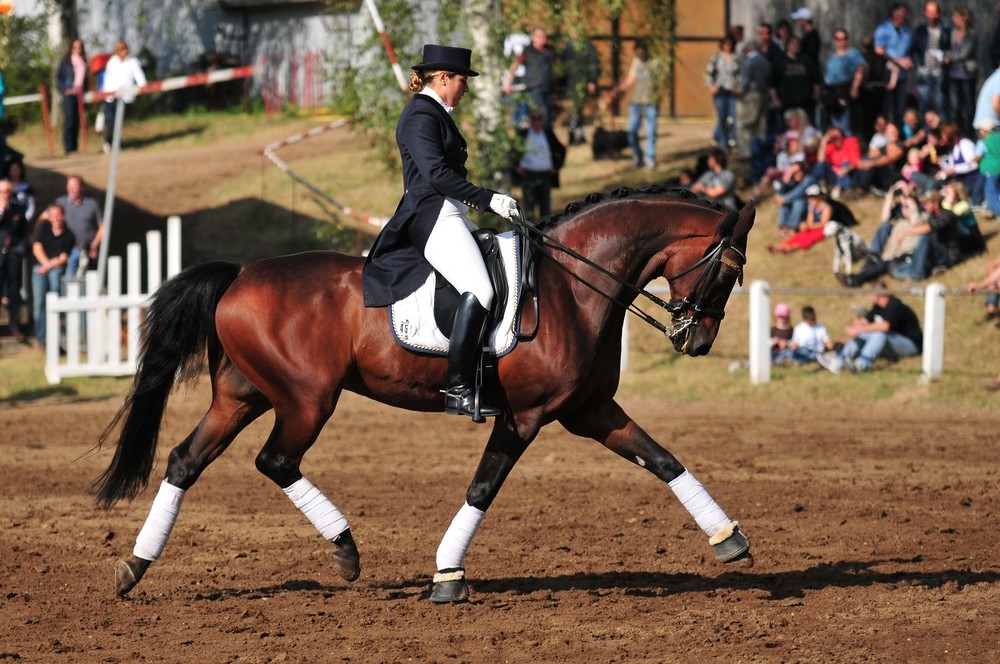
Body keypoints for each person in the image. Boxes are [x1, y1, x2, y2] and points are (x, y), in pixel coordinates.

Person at [362, 44, 521, 420]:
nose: (466, 88)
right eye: (464, 80)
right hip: (430, 216)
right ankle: (459, 388)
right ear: (445, 77)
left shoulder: (435, 114)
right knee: (480, 289)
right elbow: (435, 174)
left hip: (449, 214)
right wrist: (487, 199)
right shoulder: (420, 115)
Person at [818, 281, 922, 373]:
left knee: (879, 334)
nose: (869, 296)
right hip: (893, 343)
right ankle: (839, 360)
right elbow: (865, 322)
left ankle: (863, 363)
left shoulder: (895, 305)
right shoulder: (878, 307)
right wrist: (852, 327)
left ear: (878, 294)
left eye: (871, 293)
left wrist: (859, 329)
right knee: (865, 333)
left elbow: (885, 326)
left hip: (911, 345)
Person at [31, 203, 75, 348]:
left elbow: (63, 258)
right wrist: (46, 264)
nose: (56, 217)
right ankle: (41, 339)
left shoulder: (69, 234)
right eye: (53, 214)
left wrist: (48, 267)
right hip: (41, 267)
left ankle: (57, 339)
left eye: (59, 214)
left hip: (55, 270)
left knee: (55, 300)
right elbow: (37, 248)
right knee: (39, 304)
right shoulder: (43, 228)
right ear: (48, 216)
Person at [613, 41, 663, 169]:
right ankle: (637, 156)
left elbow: (661, 81)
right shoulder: (636, 62)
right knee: (632, 130)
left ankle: (649, 158)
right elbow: (631, 79)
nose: (637, 55)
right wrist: (619, 90)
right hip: (636, 102)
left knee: (650, 131)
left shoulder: (656, 62)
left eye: (638, 52)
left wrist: (659, 97)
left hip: (651, 102)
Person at [513, 110, 565, 219]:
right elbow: (513, 151)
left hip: (545, 175)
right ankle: (530, 234)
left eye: (539, 118)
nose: (537, 121)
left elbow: (561, 149)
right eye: (534, 119)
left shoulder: (547, 133)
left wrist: (556, 167)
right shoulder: (524, 134)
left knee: (545, 209)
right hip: (528, 175)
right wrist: (516, 167)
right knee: (529, 208)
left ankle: (545, 234)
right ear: (530, 120)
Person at [100, 40, 147, 153]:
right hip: (110, 96)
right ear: (117, 51)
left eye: (126, 48)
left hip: (124, 97)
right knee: (110, 120)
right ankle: (108, 141)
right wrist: (106, 95)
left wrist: (144, 86)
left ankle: (116, 143)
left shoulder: (132, 62)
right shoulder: (112, 62)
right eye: (122, 48)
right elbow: (107, 79)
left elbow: (139, 75)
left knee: (118, 121)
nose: (124, 51)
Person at [503, 27, 554, 125]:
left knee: (548, 118)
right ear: (533, 38)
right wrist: (508, 83)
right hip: (534, 88)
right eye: (539, 36)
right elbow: (515, 66)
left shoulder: (548, 51)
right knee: (542, 114)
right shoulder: (528, 51)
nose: (542, 38)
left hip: (547, 89)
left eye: (544, 36)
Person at [874, 3, 915, 125]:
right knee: (887, 105)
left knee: (900, 106)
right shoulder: (883, 29)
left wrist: (910, 60)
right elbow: (879, 50)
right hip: (887, 71)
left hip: (902, 73)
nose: (905, 16)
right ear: (895, 14)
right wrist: (897, 61)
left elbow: (911, 49)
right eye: (902, 12)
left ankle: (898, 132)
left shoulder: (907, 31)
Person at [56, 175, 103, 278]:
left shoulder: (92, 204)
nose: (72, 189)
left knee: (91, 278)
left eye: (75, 186)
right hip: (67, 250)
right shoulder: (61, 203)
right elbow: (48, 218)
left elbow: (102, 226)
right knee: (70, 279)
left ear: (82, 187)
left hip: (88, 249)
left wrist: (95, 244)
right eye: (70, 186)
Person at [822, 28, 866, 136]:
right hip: (831, 92)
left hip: (844, 90)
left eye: (844, 38)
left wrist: (855, 87)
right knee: (831, 124)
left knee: (846, 123)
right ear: (834, 40)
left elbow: (860, 69)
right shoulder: (832, 57)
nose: (841, 41)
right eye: (838, 39)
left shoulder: (853, 53)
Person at [911, 1, 951, 120]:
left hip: (939, 71)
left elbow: (949, 48)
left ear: (938, 13)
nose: (932, 16)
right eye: (929, 12)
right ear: (925, 13)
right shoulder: (921, 30)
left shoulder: (945, 29)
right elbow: (914, 49)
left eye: (934, 12)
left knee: (940, 104)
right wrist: (919, 65)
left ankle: (943, 134)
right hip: (924, 72)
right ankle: (926, 134)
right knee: (924, 105)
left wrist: (945, 57)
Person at [0, 179, 28, 342]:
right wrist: (2, 210)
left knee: (14, 290)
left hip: (14, 254)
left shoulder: (18, 208)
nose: (4, 195)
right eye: (1, 192)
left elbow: (23, 231)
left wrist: (21, 249)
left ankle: (15, 327)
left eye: (7, 192)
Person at [736, 40, 772, 163]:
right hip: (764, 93)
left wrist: (740, 93)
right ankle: (760, 149)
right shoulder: (765, 61)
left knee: (746, 124)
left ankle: (746, 152)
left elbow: (745, 80)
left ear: (748, 49)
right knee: (761, 124)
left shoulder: (749, 61)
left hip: (751, 94)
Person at [704, 35, 742, 152]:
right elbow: (708, 73)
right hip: (720, 92)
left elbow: (741, 74)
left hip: (732, 92)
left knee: (733, 117)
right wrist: (711, 85)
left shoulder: (737, 58)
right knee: (722, 118)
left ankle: (735, 142)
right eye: (725, 44)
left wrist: (739, 87)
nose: (727, 46)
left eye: (729, 44)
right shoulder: (716, 58)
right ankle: (724, 144)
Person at [561, 31, 600, 146]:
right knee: (574, 109)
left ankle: (575, 134)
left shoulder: (587, 46)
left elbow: (593, 64)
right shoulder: (568, 47)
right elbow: (564, 65)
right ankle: (577, 133)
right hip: (571, 82)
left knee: (577, 109)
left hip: (582, 82)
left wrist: (592, 80)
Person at [944, 7, 978, 135]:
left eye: (955, 17)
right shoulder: (953, 32)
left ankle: (971, 134)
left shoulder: (971, 34)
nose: (953, 19)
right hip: (954, 75)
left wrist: (949, 57)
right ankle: (957, 134)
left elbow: (964, 54)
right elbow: (950, 50)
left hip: (967, 75)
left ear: (964, 18)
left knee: (969, 107)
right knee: (955, 108)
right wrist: (943, 55)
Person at [56, 39, 88, 156]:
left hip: (78, 95)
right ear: (71, 48)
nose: (77, 50)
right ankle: (68, 148)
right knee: (69, 121)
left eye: (79, 47)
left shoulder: (83, 62)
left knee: (76, 121)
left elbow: (85, 79)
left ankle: (75, 147)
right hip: (68, 95)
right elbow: (58, 78)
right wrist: (64, 89)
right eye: (75, 47)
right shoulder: (65, 62)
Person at [976, 117, 1000, 217]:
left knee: (990, 191)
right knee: (996, 190)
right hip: (998, 168)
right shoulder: (998, 137)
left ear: (985, 130)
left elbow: (977, 156)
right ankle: (990, 210)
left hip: (990, 169)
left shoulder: (984, 141)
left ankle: (998, 212)